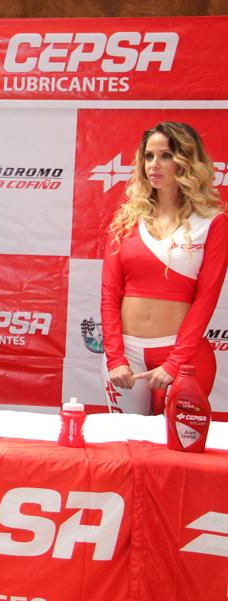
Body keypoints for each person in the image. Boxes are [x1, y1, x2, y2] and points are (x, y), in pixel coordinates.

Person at [101, 121, 227, 414]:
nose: (154, 165)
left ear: (186, 161)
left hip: (183, 355)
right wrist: (115, 357)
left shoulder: (212, 221)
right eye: (148, 156)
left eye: (166, 156)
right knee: (127, 451)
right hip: (126, 357)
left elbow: (207, 298)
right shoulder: (126, 220)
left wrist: (175, 362)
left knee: (175, 453)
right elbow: (109, 294)